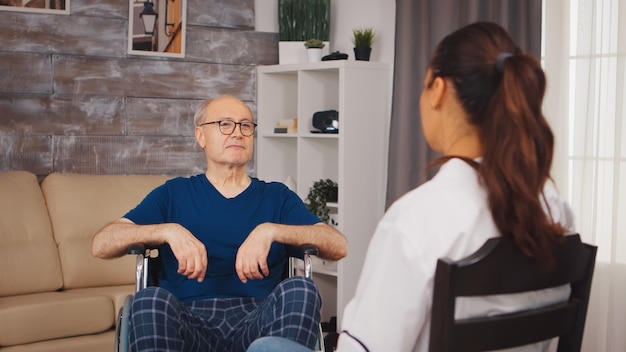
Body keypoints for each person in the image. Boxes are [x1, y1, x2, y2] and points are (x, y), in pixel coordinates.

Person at [246, 21, 575, 352]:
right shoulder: (553, 206)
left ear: (439, 90)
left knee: (267, 348)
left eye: (423, 85)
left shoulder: (420, 217)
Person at [92, 95, 347, 352]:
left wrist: (270, 231)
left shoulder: (277, 197)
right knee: (148, 299)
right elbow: (102, 244)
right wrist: (169, 231)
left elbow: (338, 245)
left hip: (259, 319)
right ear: (200, 136)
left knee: (301, 288)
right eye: (225, 124)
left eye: (245, 125)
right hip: (186, 320)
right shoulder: (173, 194)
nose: (237, 133)